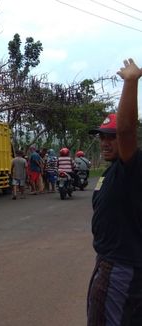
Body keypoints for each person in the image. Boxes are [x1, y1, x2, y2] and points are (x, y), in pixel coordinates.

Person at [86, 58, 142, 325]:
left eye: (112, 136)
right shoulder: (110, 171)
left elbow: (128, 129)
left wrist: (131, 82)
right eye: (102, 137)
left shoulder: (132, 167)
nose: (106, 142)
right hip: (108, 262)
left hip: (122, 267)